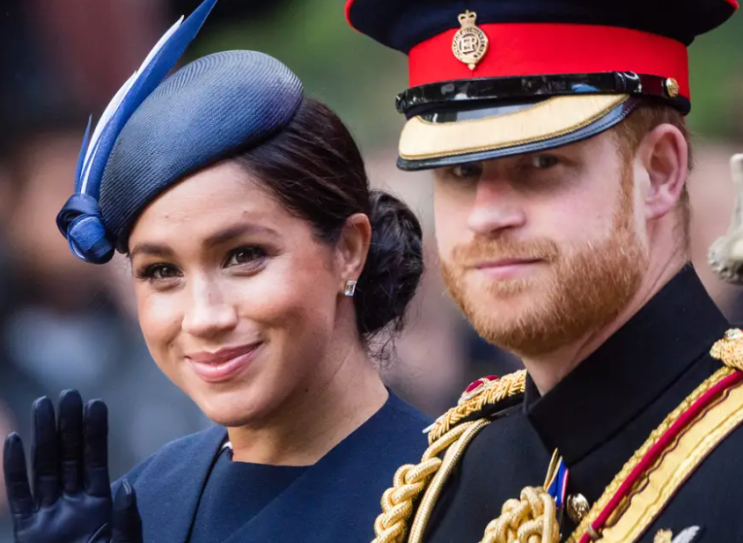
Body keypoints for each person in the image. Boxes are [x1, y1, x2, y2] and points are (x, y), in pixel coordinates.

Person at [2, 1, 431, 542]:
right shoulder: (139, 504)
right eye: (161, 271)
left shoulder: (465, 492)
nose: (204, 317)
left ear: (348, 248)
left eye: (243, 256)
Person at [346, 0, 743, 542]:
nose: (487, 215)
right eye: (461, 170)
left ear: (659, 171)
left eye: (542, 162)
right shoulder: (453, 481)